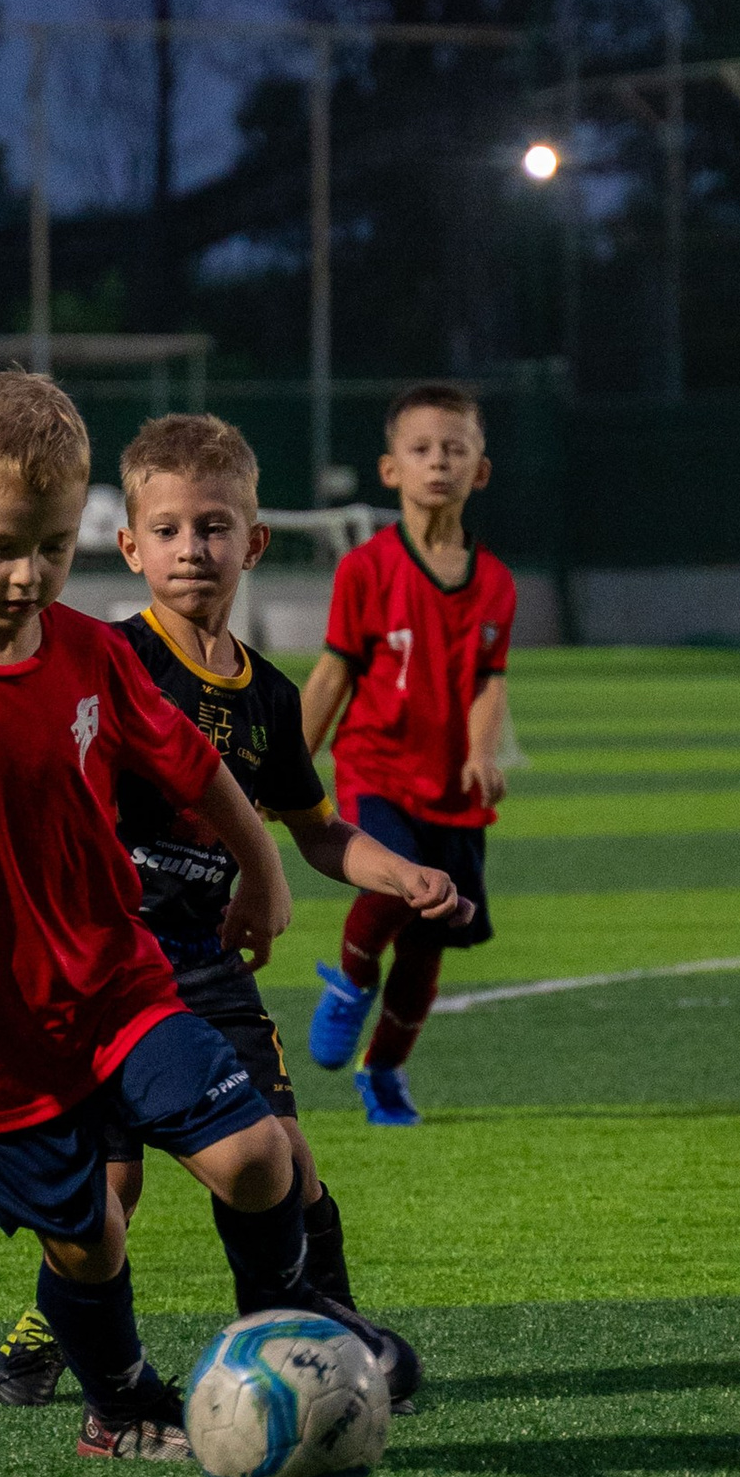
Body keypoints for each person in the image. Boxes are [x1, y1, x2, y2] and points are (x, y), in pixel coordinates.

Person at [0, 370, 389, 1463]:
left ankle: (279, 1338)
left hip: (115, 984)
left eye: (51, 548)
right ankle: (121, 1398)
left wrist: (264, 872)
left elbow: (202, 772)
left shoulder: (91, 654)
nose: (27, 575)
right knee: (91, 1237)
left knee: (259, 1158)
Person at [0, 410, 464, 1412]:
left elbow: (317, 827)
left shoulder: (271, 699)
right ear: (129, 545)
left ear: (253, 541)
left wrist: (399, 872)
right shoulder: (101, 661)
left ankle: (317, 1337)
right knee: (107, 1191)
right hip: (105, 967)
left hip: (204, 965)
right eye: (166, 529)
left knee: (286, 1161)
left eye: (212, 527)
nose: (190, 549)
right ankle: (55, 1318)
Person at [300, 381, 516, 1124]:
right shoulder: (364, 570)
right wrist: (288, 763)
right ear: (390, 470)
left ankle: (384, 1073)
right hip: (377, 771)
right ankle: (350, 981)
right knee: (392, 882)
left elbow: (490, 684)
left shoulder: (495, 583)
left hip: (453, 795)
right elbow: (332, 673)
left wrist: (483, 755)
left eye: (455, 449)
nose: (439, 463)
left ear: (480, 469)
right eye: (421, 450)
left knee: (430, 944)